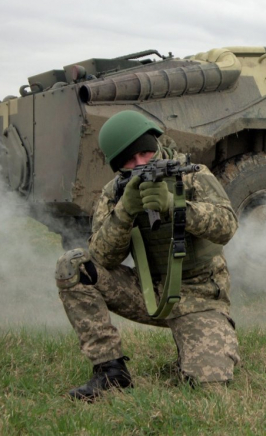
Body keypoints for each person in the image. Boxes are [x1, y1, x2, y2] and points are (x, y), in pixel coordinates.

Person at [56, 110, 240, 401]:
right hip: (146, 292)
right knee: (74, 266)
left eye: (144, 152)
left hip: (199, 297)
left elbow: (227, 225)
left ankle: (191, 351)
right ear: (117, 166)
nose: (140, 163)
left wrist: (176, 207)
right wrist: (124, 211)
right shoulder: (114, 193)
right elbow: (103, 259)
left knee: (209, 386)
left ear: (156, 144)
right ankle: (110, 371)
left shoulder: (192, 176)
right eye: (129, 160)